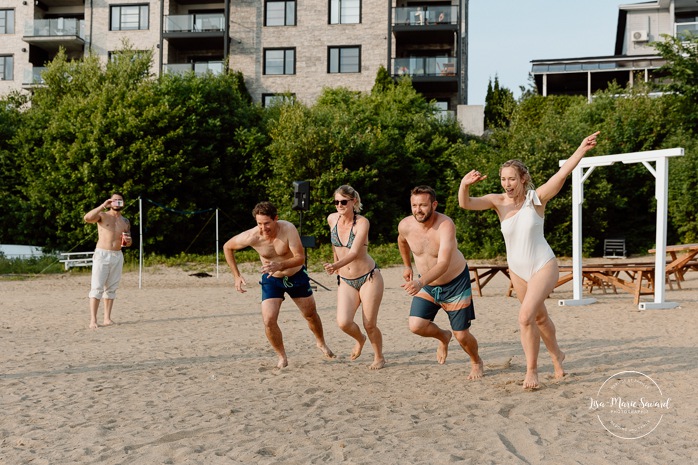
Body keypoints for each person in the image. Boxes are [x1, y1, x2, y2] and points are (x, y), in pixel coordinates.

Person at [458, 131, 600, 389]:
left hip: (543, 265)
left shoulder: (536, 199)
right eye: (503, 179)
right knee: (539, 318)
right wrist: (465, 184)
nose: (507, 183)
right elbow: (465, 203)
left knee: (525, 317)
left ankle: (531, 371)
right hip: (518, 271)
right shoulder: (497, 202)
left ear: (523, 179)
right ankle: (558, 355)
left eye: (512, 178)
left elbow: (562, 174)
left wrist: (581, 148)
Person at [223, 201, 335, 368]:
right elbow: (227, 247)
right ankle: (281, 356)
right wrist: (236, 276)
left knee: (310, 314)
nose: (263, 227)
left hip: (296, 275)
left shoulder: (288, 229)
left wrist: (280, 265)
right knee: (268, 320)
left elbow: (300, 257)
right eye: (259, 223)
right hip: (272, 279)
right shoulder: (252, 236)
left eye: (267, 223)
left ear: (275, 218)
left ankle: (320, 342)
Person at [397, 186, 484, 379]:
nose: (418, 210)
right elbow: (402, 241)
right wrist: (407, 266)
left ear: (434, 205)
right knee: (416, 326)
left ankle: (476, 361)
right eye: (414, 205)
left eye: (423, 205)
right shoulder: (405, 225)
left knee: (462, 335)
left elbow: (443, 263)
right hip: (428, 284)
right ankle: (443, 336)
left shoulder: (445, 225)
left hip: (454, 283)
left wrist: (419, 282)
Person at [323, 185, 385, 370]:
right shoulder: (332, 219)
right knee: (343, 322)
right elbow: (335, 245)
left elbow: (356, 252)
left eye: (343, 201)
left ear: (354, 201)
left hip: (368, 277)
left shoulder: (362, 223)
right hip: (346, 279)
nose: (339, 205)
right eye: (336, 202)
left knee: (369, 323)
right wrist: (336, 266)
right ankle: (360, 340)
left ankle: (379, 357)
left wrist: (335, 265)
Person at [84, 192, 132, 330]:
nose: (117, 202)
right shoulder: (103, 215)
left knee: (112, 288)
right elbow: (87, 218)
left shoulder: (125, 221)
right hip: (102, 254)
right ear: (110, 202)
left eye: (120, 200)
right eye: (114, 200)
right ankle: (93, 320)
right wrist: (103, 205)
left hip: (117, 255)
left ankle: (107, 318)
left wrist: (128, 242)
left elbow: (128, 241)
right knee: (97, 287)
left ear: (123, 203)